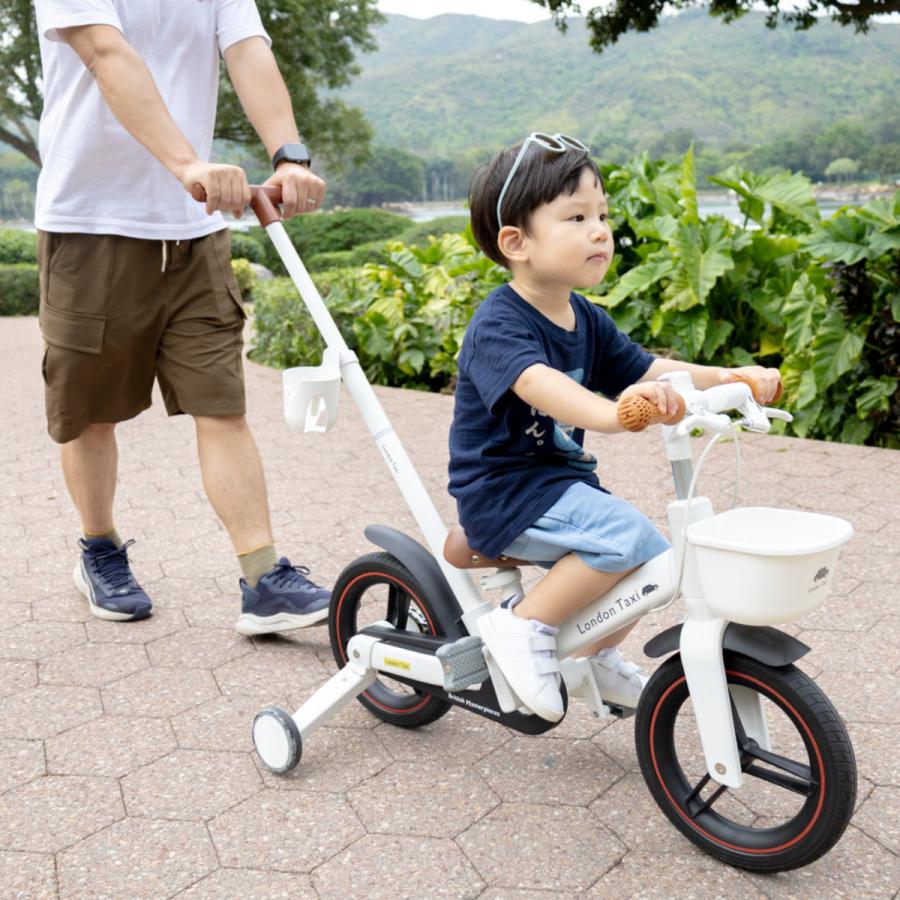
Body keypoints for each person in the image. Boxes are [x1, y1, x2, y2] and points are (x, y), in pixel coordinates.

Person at [449, 132, 781, 722]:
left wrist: (726, 376)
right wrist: (613, 414)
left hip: (557, 487)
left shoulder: (586, 318)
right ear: (515, 242)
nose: (600, 230)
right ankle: (521, 627)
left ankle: (595, 656)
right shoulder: (498, 323)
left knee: (651, 555)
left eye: (602, 214)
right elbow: (540, 385)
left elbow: (649, 368)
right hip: (504, 491)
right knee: (627, 539)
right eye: (576, 217)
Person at [33, 0, 332, 635]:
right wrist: (189, 164)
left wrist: (290, 154)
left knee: (221, 405)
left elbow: (249, 51)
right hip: (91, 223)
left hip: (194, 230)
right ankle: (99, 549)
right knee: (90, 415)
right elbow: (105, 54)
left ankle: (263, 577)